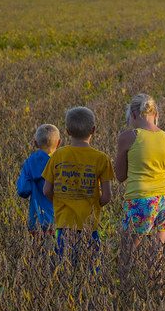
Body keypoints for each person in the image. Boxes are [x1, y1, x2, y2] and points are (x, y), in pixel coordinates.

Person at [115, 94, 165, 285]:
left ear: (134, 114)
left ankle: (123, 288)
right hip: (164, 199)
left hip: (140, 199)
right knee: (156, 252)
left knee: (128, 250)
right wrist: (162, 198)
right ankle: (156, 290)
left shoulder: (128, 137)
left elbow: (120, 176)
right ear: (155, 114)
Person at [42, 106, 114, 262]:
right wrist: (93, 205)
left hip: (64, 224)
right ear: (93, 130)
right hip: (90, 225)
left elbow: (46, 190)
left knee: (65, 266)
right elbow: (107, 196)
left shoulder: (58, 155)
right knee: (90, 268)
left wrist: (61, 201)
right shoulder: (101, 158)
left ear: (67, 131)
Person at [16, 123, 59, 236]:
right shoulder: (61, 162)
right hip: (60, 220)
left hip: (37, 221)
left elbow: (23, 190)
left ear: (35, 143)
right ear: (59, 143)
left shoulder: (30, 163)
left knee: (39, 251)